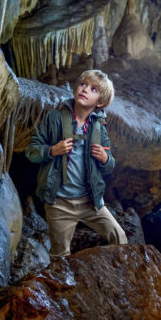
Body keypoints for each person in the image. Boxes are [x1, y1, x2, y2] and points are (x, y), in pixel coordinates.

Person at [25, 69, 127, 259]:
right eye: (83, 84)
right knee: (59, 257)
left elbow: (109, 166)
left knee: (119, 237)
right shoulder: (53, 119)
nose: (85, 89)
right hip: (59, 202)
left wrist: (105, 160)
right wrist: (51, 151)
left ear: (100, 103)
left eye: (93, 89)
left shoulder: (98, 129)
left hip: (90, 202)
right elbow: (31, 151)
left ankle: (120, 282)